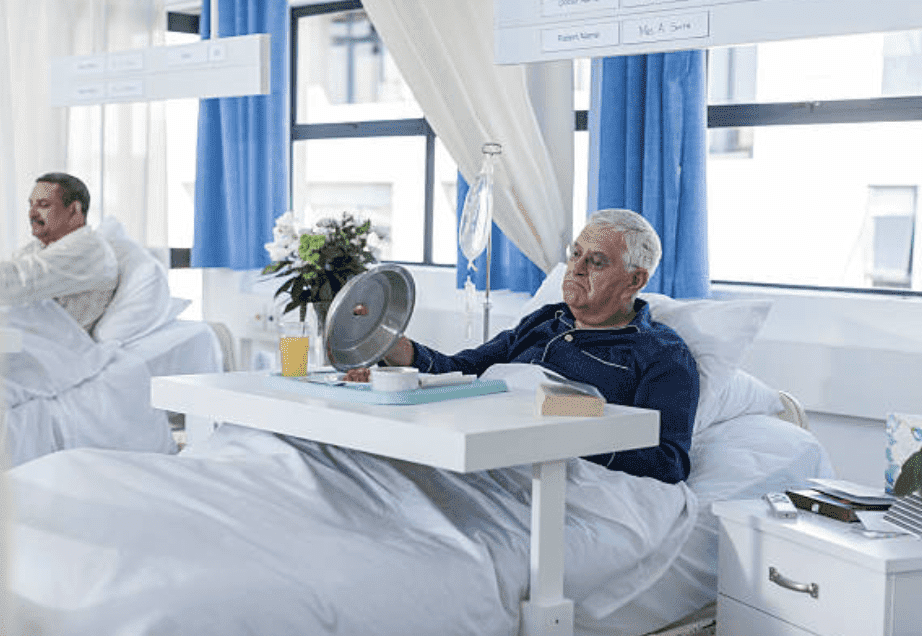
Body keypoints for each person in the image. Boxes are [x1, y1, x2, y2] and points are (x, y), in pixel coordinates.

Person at [347, 208, 699, 484]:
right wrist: (388, 341)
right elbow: (458, 371)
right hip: (472, 450)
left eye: (595, 261)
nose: (574, 269)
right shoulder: (545, 320)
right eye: (575, 254)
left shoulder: (661, 355)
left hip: (540, 473)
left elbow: (669, 461)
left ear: (634, 280)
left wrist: (571, 439)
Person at [0, 172, 118, 333]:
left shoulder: (88, 250)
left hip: (46, 347)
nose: (32, 213)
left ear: (74, 210)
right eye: (31, 205)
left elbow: (16, 282)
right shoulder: (40, 247)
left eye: (43, 205)